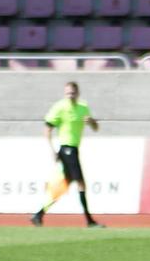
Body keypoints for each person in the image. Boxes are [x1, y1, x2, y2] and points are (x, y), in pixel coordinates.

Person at [33, 81, 104, 228]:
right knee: (81, 183)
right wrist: (52, 150)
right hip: (67, 149)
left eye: (72, 93)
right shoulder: (60, 107)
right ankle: (89, 221)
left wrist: (91, 121)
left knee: (65, 185)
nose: (70, 95)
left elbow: (96, 128)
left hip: (74, 149)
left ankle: (38, 215)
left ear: (77, 93)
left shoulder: (83, 107)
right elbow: (47, 129)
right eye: (67, 93)